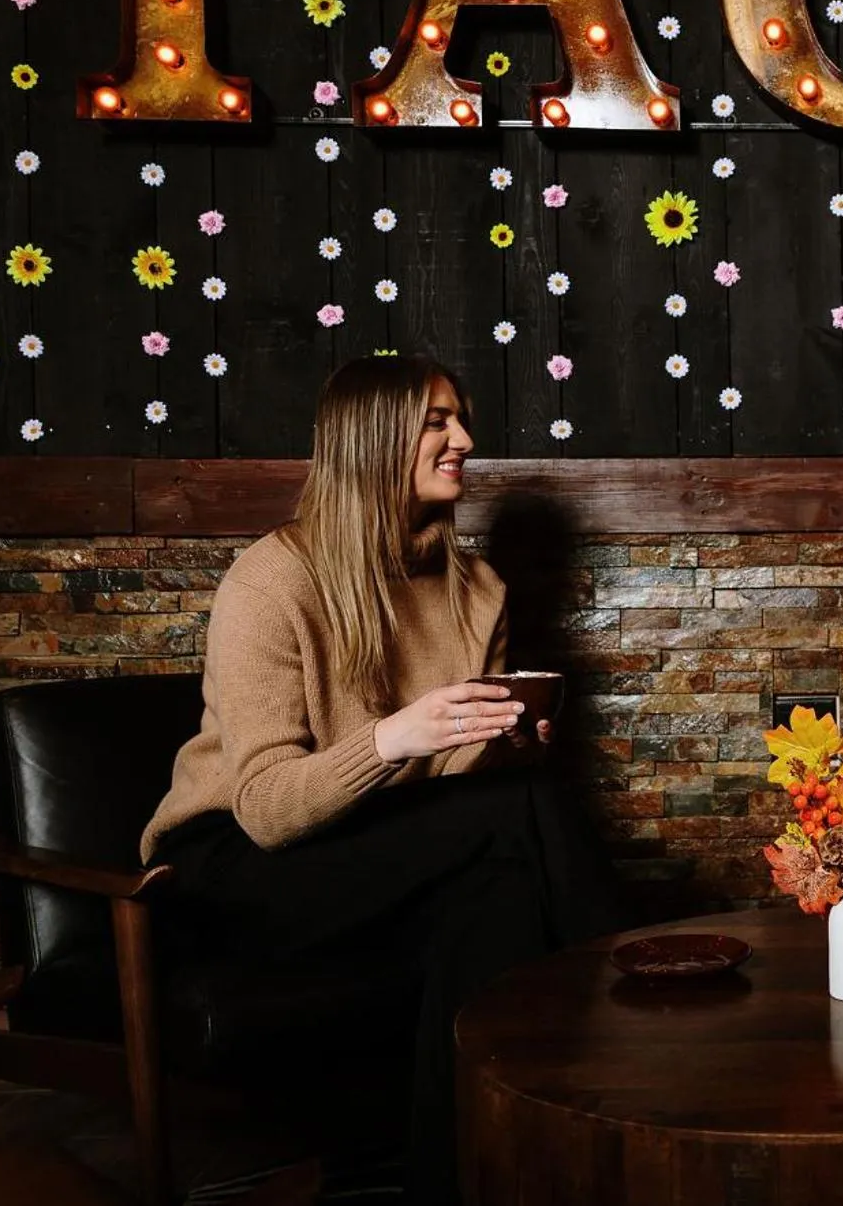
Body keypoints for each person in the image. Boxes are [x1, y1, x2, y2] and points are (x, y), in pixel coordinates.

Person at [143, 355, 621, 1204]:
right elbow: (263, 808)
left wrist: (503, 741)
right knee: (514, 820)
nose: (465, 441)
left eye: (459, 419)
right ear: (374, 442)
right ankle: (630, 1025)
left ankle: (470, 1180)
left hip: (374, 851)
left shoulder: (476, 589)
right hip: (230, 868)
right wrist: (394, 738)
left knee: (499, 889)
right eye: (439, 422)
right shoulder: (272, 579)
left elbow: (451, 791)